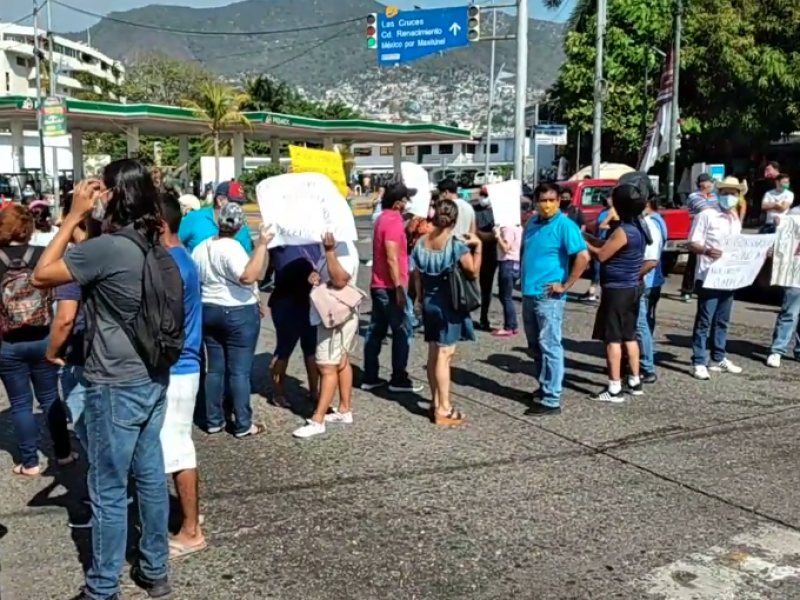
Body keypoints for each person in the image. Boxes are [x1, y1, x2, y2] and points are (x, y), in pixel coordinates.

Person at [32, 160, 176, 600]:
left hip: (113, 381)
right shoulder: (155, 245)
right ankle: (154, 570)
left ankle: (101, 587)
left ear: (110, 195)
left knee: (108, 488)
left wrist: (73, 215)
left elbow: (42, 274)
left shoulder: (109, 248)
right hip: (153, 374)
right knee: (150, 476)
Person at [0, 205, 74, 477]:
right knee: (49, 396)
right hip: (43, 335)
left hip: (8, 341)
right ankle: (64, 453)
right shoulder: (43, 255)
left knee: (20, 402)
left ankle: (29, 462)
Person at [191, 202, 272, 437]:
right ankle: (243, 423)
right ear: (239, 226)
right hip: (237, 310)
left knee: (215, 368)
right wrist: (262, 246)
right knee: (239, 371)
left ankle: (213, 419)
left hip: (209, 308)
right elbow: (248, 276)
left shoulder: (201, 247)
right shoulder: (233, 248)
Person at [158, 193, 206, 557]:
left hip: (177, 367)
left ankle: (190, 529)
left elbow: (166, 324)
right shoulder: (180, 258)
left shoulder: (171, 264)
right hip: (182, 364)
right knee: (174, 446)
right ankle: (189, 521)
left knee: (177, 448)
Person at [520, 183, 589, 415]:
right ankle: (543, 386)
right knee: (535, 345)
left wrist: (566, 284)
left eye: (552, 200)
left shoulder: (565, 225)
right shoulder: (532, 223)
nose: (547, 204)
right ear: (536, 202)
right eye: (543, 200)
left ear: (559, 201)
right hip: (530, 293)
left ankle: (551, 398)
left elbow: (582, 256)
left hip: (549, 295)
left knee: (550, 344)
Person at [411, 199, 481, 426]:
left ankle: (435, 401)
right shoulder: (455, 245)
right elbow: (472, 271)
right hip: (448, 303)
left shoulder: (421, 242)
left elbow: (417, 275)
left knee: (433, 353)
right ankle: (444, 408)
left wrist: (419, 300)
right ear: (455, 219)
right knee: (445, 355)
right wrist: (478, 247)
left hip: (429, 301)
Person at [584, 181, 652, 402]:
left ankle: (614, 387)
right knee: (629, 336)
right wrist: (589, 238)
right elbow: (606, 245)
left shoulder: (624, 230)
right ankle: (634, 380)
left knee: (613, 338)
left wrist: (583, 243)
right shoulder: (639, 227)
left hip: (617, 289)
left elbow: (602, 255)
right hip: (633, 287)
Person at [293, 233, 360, 439]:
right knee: (341, 361)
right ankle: (344, 409)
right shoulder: (332, 247)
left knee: (326, 366)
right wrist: (316, 275)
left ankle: (318, 420)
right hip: (333, 315)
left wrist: (330, 251)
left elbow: (340, 280)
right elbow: (330, 276)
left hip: (335, 317)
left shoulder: (342, 249)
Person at [362, 182, 421, 392]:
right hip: (390, 285)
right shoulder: (394, 221)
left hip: (378, 283)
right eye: (406, 199)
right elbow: (391, 256)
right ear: (398, 203)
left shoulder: (382, 219)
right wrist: (398, 288)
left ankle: (370, 375)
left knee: (376, 331)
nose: (408, 203)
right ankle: (399, 378)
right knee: (402, 331)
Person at [687, 176, 744, 380]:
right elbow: (692, 242)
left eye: (734, 193)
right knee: (705, 320)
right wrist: (706, 250)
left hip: (729, 276)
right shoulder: (707, 215)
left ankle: (718, 357)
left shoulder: (735, 218)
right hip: (709, 275)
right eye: (726, 193)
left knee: (723, 320)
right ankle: (699, 360)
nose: (730, 197)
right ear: (719, 194)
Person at [268, 242, 321, 408]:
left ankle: (313, 390)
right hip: (287, 301)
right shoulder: (280, 244)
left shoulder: (312, 241)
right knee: (286, 347)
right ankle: (278, 392)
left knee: (310, 347)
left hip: (307, 300)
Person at [636, 183, 667, 384]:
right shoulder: (658, 221)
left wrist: (633, 277)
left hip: (645, 279)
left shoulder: (649, 223)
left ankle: (647, 366)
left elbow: (651, 259)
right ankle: (643, 358)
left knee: (640, 324)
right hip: (653, 279)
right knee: (645, 321)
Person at [766, 195, 800, 368]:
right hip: (796, 271)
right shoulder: (796, 213)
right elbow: (785, 235)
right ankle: (777, 350)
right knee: (790, 312)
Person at [178, 180, 253, 253]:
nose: (239, 208)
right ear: (220, 200)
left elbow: (246, 260)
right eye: (235, 203)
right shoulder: (195, 218)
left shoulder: (242, 227)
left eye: (241, 205)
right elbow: (172, 246)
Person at [680, 173, 718, 301]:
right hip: (698, 233)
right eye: (710, 182)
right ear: (704, 184)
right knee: (693, 262)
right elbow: (706, 210)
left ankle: (703, 287)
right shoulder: (694, 196)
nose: (712, 185)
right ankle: (687, 290)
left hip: (712, 233)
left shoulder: (714, 196)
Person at [472, 187, 497, 330]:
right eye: (482, 194)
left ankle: (484, 317)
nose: (483, 197)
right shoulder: (473, 209)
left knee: (486, 288)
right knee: (468, 285)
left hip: (489, 254)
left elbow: (495, 235)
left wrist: (477, 233)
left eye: (486, 195)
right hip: (472, 251)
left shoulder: (497, 212)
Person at [493, 219, 523, 336]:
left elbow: (505, 247)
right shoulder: (518, 226)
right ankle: (513, 324)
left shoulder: (508, 228)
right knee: (507, 296)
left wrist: (497, 235)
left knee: (505, 297)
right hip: (516, 262)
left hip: (507, 263)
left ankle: (509, 326)